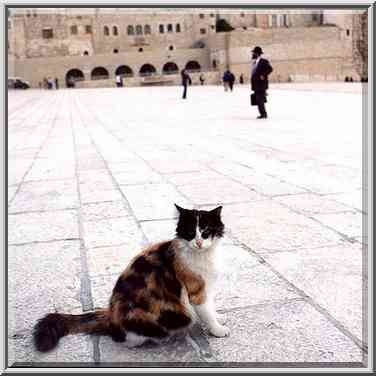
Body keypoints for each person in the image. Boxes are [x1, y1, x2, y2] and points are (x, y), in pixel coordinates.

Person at [250, 46, 273, 119]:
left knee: (260, 99)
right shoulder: (255, 62)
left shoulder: (264, 61)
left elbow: (270, 69)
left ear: (257, 53)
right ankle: (262, 113)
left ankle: (263, 114)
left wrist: (263, 75)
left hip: (261, 84)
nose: (252, 54)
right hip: (256, 84)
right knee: (258, 99)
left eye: (253, 53)